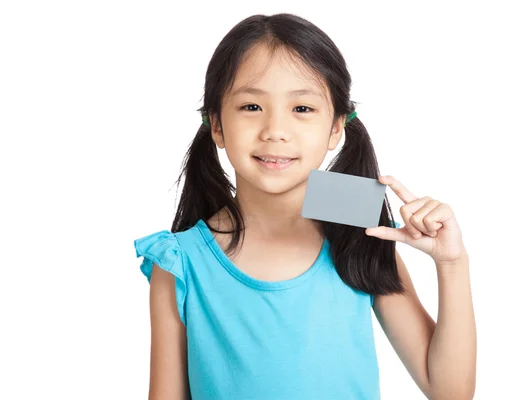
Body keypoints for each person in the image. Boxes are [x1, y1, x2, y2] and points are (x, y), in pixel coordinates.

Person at [133, 12, 476, 400]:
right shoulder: (179, 260)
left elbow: (450, 391)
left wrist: (452, 263)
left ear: (336, 128)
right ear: (216, 125)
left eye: (302, 109)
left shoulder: (357, 228)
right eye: (251, 107)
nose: (275, 130)